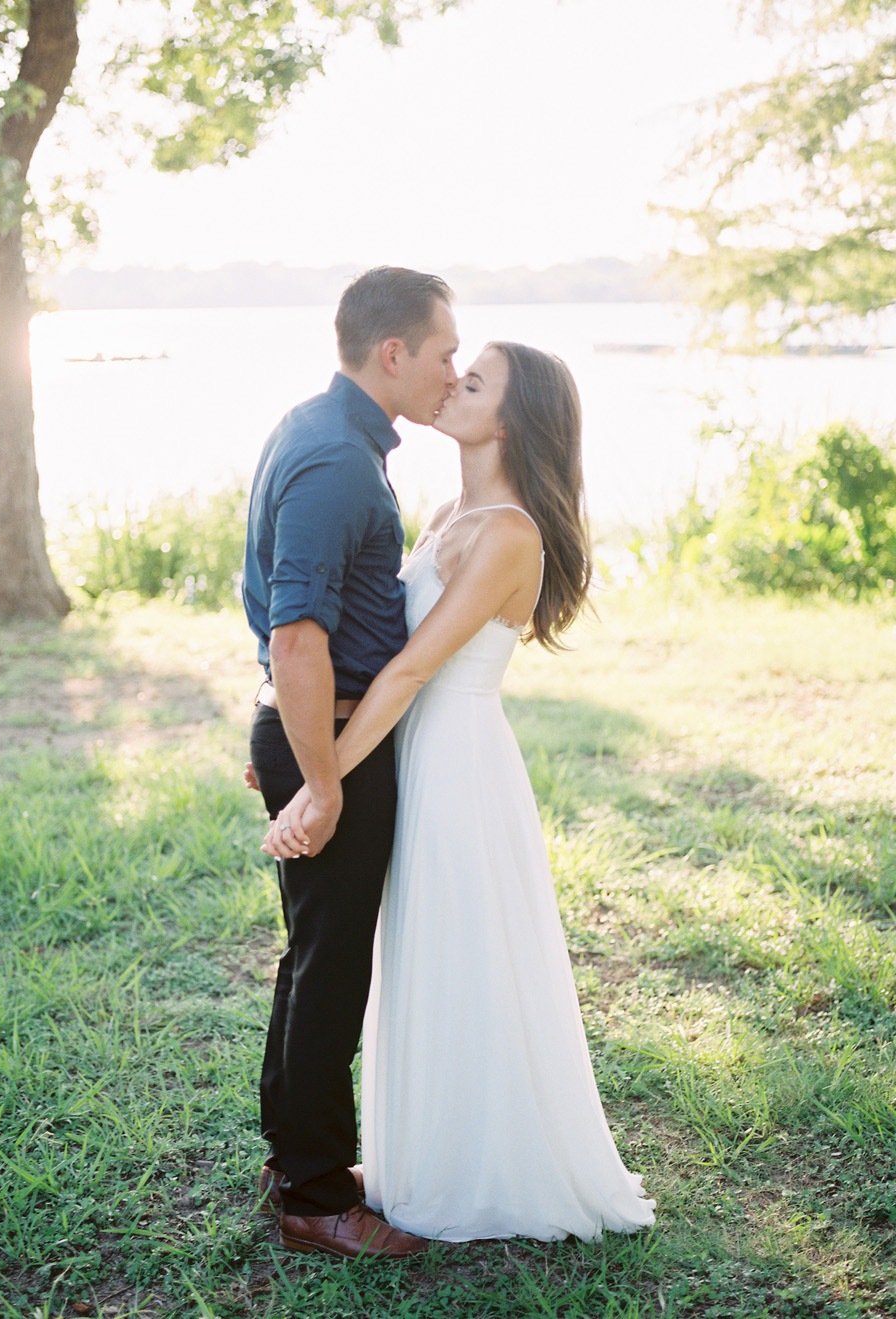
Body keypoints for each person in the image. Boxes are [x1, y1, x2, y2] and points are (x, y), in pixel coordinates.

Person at [263, 343, 657, 1242]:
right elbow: (366, 648)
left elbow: (407, 671)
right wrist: (296, 741)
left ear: (511, 420)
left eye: (473, 382)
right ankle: (422, 1153)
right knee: (414, 956)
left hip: (459, 763)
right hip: (412, 750)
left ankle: (486, 1164)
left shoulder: (513, 532)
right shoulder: (446, 511)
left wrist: (322, 781)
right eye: (457, 369)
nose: (452, 384)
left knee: (464, 955)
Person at [239, 266, 459, 1258]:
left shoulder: (318, 430)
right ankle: (316, 1195)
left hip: (312, 729)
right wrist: (318, 775)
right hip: (327, 738)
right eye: (444, 352)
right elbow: (294, 635)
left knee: (312, 957)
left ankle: (295, 1155)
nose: (450, 370)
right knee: (329, 967)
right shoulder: (334, 459)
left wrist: (293, 746)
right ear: (391, 353)